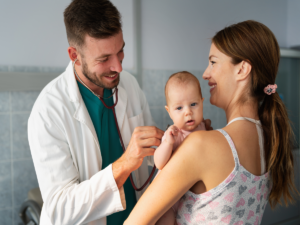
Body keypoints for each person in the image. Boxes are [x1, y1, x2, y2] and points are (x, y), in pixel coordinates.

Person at [124, 20, 299, 225]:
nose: (206, 73)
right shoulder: (269, 137)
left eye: (213, 62)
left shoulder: (201, 144)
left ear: (242, 69)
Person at [27, 0, 165, 224]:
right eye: (104, 59)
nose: (118, 67)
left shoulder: (128, 84)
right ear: (75, 56)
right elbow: (60, 211)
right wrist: (124, 164)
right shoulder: (48, 111)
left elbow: (152, 159)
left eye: (120, 52)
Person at [154, 71, 206, 225]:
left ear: (202, 103)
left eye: (193, 104)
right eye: (179, 108)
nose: (188, 112)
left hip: (190, 198)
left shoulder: (204, 128)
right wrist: (168, 144)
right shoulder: (173, 134)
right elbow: (159, 163)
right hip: (168, 197)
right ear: (169, 111)